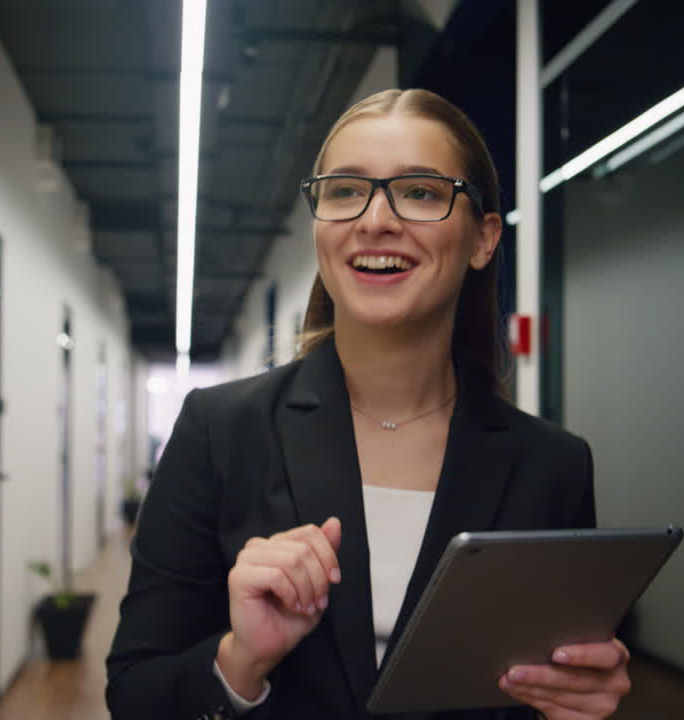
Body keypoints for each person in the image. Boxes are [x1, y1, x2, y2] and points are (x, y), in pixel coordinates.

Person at [106, 88, 630, 720]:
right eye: (345, 190)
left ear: (483, 239)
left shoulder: (553, 466)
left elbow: (547, 682)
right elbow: (136, 693)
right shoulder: (219, 432)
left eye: (421, 192)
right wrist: (240, 659)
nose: (375, 220)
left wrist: (578, 704)